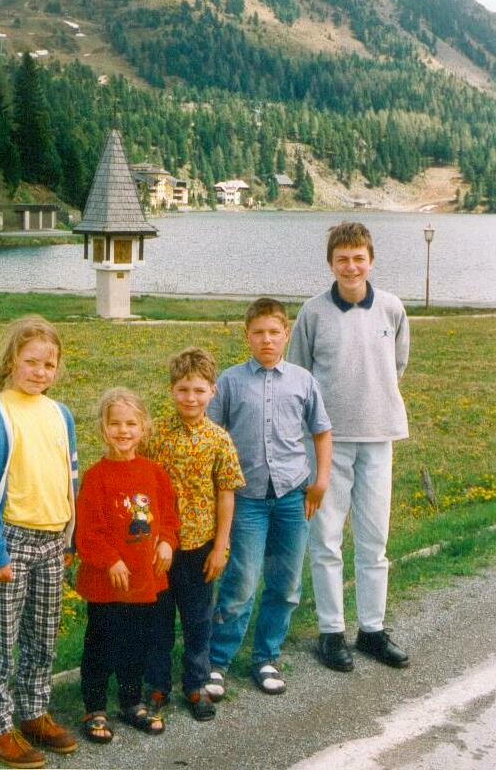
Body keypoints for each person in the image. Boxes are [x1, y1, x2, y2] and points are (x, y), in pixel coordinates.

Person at [287, 221, 410, 672]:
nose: (351, 266)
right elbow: (299, 376)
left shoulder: (393, 309)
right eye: (343, 259)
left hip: (379, 437)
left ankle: (372, 631)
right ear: (330, 263)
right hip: (327, 443)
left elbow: (397, 364)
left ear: (371, 260)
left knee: (375, 541)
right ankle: (332, 631)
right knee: (326, 540)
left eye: (359, 258)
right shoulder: (313, 312)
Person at [0, 316, 79, 769]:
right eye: (31, 362)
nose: (40, 372)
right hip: (10, 543)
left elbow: (69, 476)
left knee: (42, 637)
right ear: (13, 361)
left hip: (54, 541)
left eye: (49, 364)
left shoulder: (60, 414)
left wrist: (71, 537)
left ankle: (33, 713)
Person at [206, 298, 332, 698]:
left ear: (286, 334)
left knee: (287, 583)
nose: (266, 340)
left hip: (293, 497)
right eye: (258, 332)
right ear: (247, 335)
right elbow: (212, 434)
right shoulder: (229, 381)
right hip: (246, 499)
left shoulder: (302, 380)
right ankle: (218, 661)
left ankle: (266, 656)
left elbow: (321, 432)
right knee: (241, 582)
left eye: (274, 332)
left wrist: (321, 481)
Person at [143, 347, 246, 721]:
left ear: (212, 392)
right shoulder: (154, 437)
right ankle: (156, 684)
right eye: (184, 389)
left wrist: (221, 545)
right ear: (172, 390)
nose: (191, 398)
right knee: (158, 619)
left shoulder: (219, 439)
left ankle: (196, 684)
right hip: (161, 548)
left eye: (199, 390)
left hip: (201, 547)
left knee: (198, 621)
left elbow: (226, 492)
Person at [75, 387, 179, 742]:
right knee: (102, 643)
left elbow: (168, 517)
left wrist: (166, 541)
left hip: (144, 579)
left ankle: (131, 702)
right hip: (107, 582)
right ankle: (94, 708)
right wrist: (110, 560)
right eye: (115, 423)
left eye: (131, 423)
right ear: (103, 429)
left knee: (137, 643)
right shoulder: (96, 476)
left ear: (143, 427)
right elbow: (88, 531)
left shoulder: (154, 472)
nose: (123, 431)